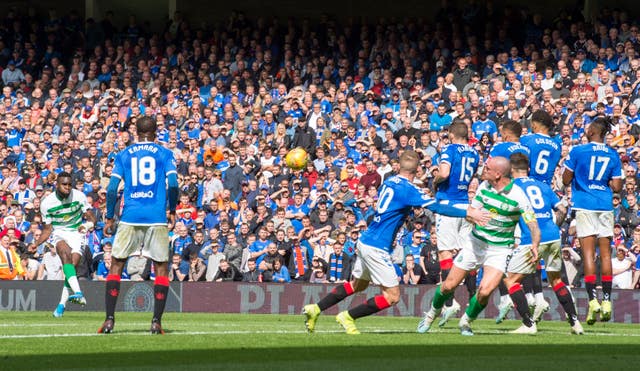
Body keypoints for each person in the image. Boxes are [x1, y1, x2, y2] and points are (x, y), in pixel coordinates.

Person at [303, 150, 491, 335]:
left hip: (366, 240)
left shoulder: (389, 181)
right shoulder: (408, 189)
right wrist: (467, 212)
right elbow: (436, 207)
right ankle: (348, 316)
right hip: (377, 247)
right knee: (392, 296)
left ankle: (316, 308)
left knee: (357, 285)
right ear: (417, 170)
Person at [417, 156, 539, 336]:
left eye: (487, 168)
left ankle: (466, 321)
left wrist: (535, 244)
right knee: (449, 285)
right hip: (476, 244)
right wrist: (473, 217)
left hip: (500, 249)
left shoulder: (518, 196)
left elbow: (533, 224)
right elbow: (469, 214)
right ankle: (431, 314)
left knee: (485, 291)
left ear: (498, 174)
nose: (483, 169)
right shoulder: (483, 188)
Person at [99, 116, 179, 335]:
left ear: (136, 132)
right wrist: (172, 210)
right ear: (155, 133)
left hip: (130, 216)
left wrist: (109, 217)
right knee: (161, 267)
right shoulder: (165, 154)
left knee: (116, 265)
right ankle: (156, 322)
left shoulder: (124, 154)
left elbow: (113, 188)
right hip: (156, 216)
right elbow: (172, 184)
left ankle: (109, 320)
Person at [499, 153, 582, 334]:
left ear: (511, 170)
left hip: (531, 238)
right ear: (528, 169)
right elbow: (561, 208)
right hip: (552, 235)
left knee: (511, 281)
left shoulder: (512, 187)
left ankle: (529, 324)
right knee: (557, 280)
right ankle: (575, 323)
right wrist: (553, 226)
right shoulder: (542, 185)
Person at [562, 117, 623, 325]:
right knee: (606, 254)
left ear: (592, 131)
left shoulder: (578, 151)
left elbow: (565, 180)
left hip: (584, 204)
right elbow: (617, 186)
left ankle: (592, 300)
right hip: (605, 205)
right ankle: (606, 300)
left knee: (589, 254)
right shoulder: (613, 154)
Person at [430, 121, 479, 325]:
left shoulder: (449, 149)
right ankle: (472, 298)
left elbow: (444, 173)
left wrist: (434, 181)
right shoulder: (474, 153)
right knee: (467, 254)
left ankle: (450, 304)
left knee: (445, 253)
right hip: (464, 206)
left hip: (448, 205)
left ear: (451, 134)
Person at [30, 172, 96, 317]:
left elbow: (92, 217)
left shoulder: (79, 196)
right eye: (64, 184)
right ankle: (79, 293)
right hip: (59, 232)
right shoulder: (47, 203)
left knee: (70, 269)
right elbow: (47, 230)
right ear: (57, 185)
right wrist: (36, 243)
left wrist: (87, 226)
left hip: (77, 233)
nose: (67, 187)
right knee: (64, 254)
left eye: (69, 184)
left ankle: (61, 305)